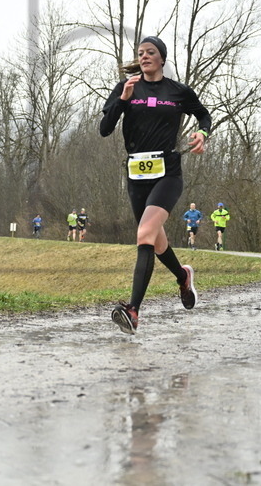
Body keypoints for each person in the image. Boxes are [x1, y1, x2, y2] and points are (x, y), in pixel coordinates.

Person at [100, 36, 211, 334]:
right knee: (156, 241)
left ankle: (133, 311)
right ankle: (183, 277)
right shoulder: (127, 87)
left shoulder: (177, 91)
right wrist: (123, 100)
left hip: (167, 173)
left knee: (144, 234)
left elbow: (203, 114)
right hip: (136, 175)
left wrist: (202, 134)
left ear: (162, 58)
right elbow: (105, 129)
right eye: (141, 53)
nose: (145, 56)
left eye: (151, 52)